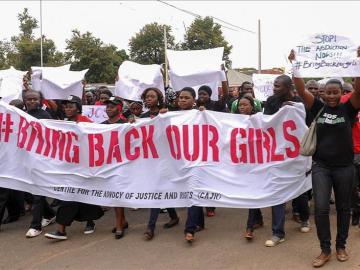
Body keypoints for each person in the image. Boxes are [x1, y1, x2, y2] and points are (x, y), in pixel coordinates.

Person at [289, 48, 360, 267]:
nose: (330, 96)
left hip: (345, 167)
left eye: (335, 92)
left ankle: (341, 246)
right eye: (327, 92)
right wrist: (295, 63)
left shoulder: (348, 109)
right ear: (321, 93)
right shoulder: (316, 106)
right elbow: (300, 89)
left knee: (342, 208)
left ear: (341, 93)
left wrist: (358, 61)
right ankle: (325, 249)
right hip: (321, 166)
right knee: (320, 207)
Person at [45, 95, 104, 240]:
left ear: (78, 108)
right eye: (65, 106)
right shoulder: (64, 122)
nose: (67, 109)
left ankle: (75, 226)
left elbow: (98, 137)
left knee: (84, 195)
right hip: (69, 166)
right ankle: (63, 229)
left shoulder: (85, 121)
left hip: (84, 166)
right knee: (69, 195)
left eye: (71, 106)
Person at [261, 75, 311, 247]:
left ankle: (304, 219)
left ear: (289, 87)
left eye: (278, 86)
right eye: (274, 86)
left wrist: (293, 109)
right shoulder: (271, 101)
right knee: (278, 193)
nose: (274, 89)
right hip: (276, 155)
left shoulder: (299, 102)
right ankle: (278, 233)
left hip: (296, 156)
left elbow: (307, 125)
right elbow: (265, 123)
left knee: (299, 191)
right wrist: (280, 111)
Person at [139, 87, 180, 240]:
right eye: (146, 97)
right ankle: (174, 217)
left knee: (157, 189)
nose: (149, 99)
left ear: (158, 98)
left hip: (167, 157)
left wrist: (166, 116)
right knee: (160, 188)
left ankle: (150, 227)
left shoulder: (167, 113)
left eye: (152, 96)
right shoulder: (142, 117)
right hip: (150, 159)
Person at [21, 91, 57, 238]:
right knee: (29, 190)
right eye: (28, 99)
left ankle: (35, 225)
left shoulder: (45, 116)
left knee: (37, 193)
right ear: (24, 101)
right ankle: (49, 214)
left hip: (41, 159)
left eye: (35, 99)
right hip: (25, 158)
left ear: (40, 100)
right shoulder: (20, 114)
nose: (31, 101)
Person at [101, 97, 129, 239]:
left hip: (122, 164)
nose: (108, 109)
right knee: (113, 193)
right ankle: (122, 220)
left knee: (117, 192)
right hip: (107, 164)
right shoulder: (101, 125)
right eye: (107, 107)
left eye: (112, 107)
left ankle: (119, 223)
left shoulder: (125, 124)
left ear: (119, 108)